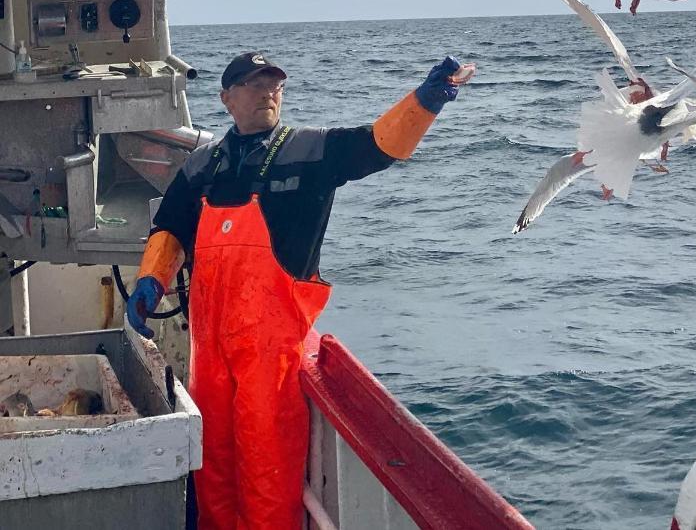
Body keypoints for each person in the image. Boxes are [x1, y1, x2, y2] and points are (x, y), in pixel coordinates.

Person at [126, 51, 464, 529]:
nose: (267, 92)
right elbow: (171, 228)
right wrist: (150, 282)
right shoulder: (201, 164)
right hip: (210, 348)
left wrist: (426, 101)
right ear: (227, 99)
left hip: (272, 350)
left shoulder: (309, 149)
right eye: (252, 84)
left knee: (268, 471)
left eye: (274, 85)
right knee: (213, 465)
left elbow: (377, 146)